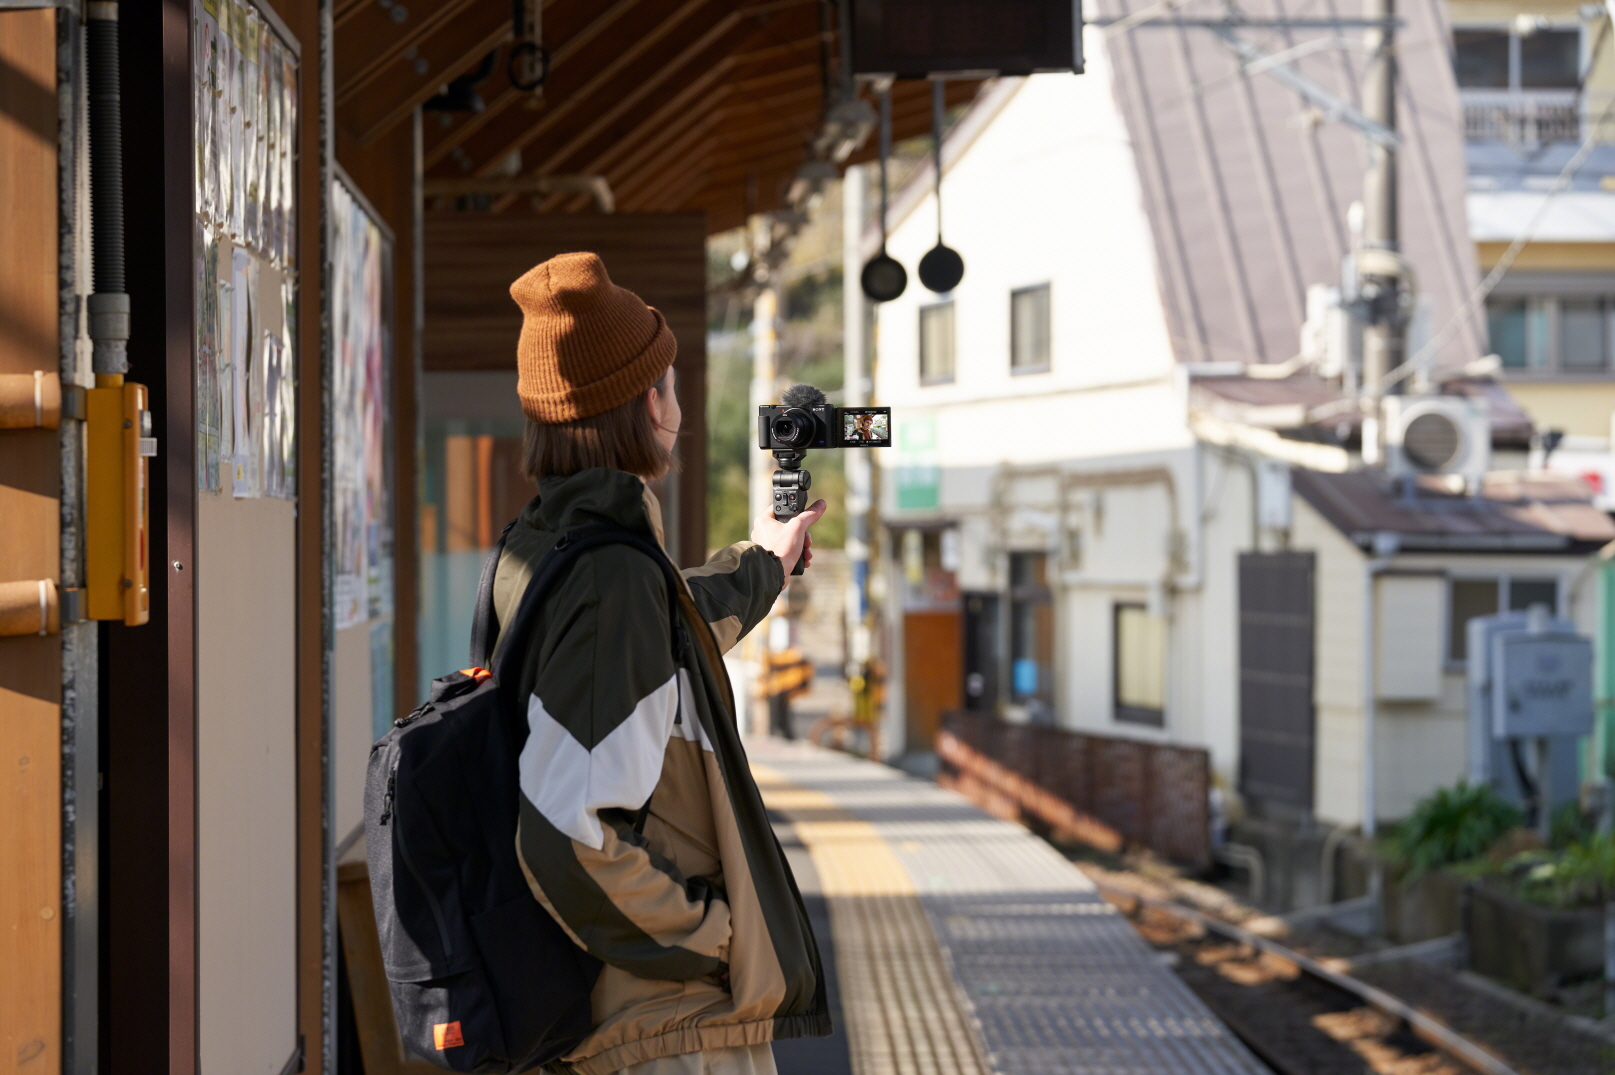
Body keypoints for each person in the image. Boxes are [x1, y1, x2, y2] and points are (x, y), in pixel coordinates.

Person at [491, 253, 831, 1075]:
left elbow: (667, 630)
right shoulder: (611, 579)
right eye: (670, 386)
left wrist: (767, 562)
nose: (676, 408)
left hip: (640, 1018)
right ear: (648, 403)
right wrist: (711, 935)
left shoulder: (553, 545)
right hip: (663, 1028)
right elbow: (563, 832)